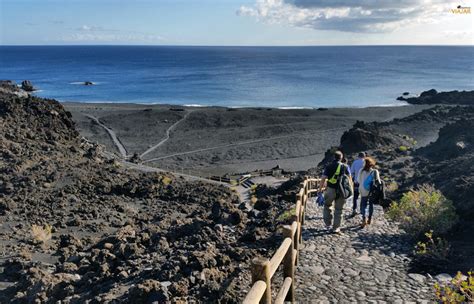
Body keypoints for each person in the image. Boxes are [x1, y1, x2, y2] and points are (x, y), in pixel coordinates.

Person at [318, 151, 351, 235]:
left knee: (327, 206)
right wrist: (350, 191)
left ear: (334, 157)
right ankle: (336, 228)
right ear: (341, 157)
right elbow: (350, 180)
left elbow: (323, 178)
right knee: (339, 209)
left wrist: (320, 190)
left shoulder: (328, 166)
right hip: (342, 190)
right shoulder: (346, 167)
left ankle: (328, 224)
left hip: (330, 189)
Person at [357, 157, 381, 227]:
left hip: (363, 190)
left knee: (363, 205)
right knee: (370, 205)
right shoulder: (374, 172)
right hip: (371, 191)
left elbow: (358, 180)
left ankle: (364, 219)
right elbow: (378, 182)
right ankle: (369, 219)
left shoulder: (361, 171)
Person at [350, 152, 366, 217]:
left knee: (355, 197)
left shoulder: (355, 162)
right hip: (364, 183)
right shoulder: (366, 162)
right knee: (364, 196)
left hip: (356, 182)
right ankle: (362, 210)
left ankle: (354, 209)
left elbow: (351, 173)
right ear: (364, 156)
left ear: (358, 156)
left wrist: (353, 180)